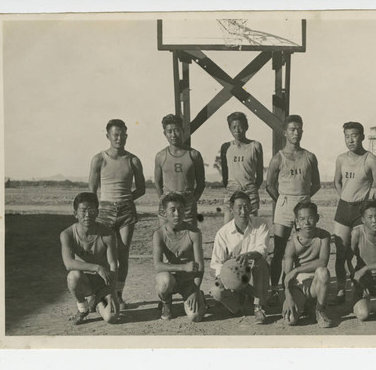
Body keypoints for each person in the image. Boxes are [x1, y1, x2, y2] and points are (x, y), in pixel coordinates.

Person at [89, 119, 146, 310]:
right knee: (105, 255)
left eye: (123, 134)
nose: (119, 138)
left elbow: (142, 188)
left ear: (127, 136)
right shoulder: (99, 159)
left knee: (123, 254)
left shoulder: (133, 160)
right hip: (104, 210)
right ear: (108, 136)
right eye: (116, 134)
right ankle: (105, 293)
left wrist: (126, 198)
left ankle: (119, 295)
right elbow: (92, 190)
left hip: (126, 211)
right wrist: (97, 209)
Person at [266, 115, 321, 303]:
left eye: (298, 129)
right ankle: (274, 288)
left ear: (302, 131)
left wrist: (303, 201)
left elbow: (316, 184)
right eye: (292, 129)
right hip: (284, 205)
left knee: (303, 247)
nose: (295, 132)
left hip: (303, 206)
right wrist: (283, 200)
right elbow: (270, 185)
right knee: (279, 249)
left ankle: (299, 286)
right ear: (285, 132)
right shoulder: (278, 158)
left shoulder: (309, 157)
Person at [332, 122, 376, 305]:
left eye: (354, 135)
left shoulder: (371, 159)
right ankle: (340, 287)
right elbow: (337, 182)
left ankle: (359, 286)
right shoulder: (340, 159)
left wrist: (368, 205)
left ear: (362, 136)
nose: (350, 140)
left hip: (361, 210)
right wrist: (345, 198)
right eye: (347, 136)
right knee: (341, 251)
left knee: (360, 252)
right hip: (343, 208)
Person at [210, 191, 271, 324]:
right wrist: (228, 277)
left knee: (260, 262)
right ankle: (240, 307)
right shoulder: (223, 233)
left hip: (253, 275)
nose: (243, 211)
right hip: (234, 276)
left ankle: (258, 306)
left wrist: (248, 255)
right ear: (232, 210)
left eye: (246, 206)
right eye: (239, 207)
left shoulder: (261, 224)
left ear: (251, 207)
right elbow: (215, 265)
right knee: (215, 290)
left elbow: (262, 250)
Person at [60, 192, 120, 325]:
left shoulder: (108, 234)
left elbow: (113, 265)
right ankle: (83, 309)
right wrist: (97, 268)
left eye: (91, 210)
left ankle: (99, 301)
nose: (87, 215)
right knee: (73, 276)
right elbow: (68, 264)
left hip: (104, 285)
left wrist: (109, 290)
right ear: (75, 213)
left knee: (112, 318)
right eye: (83, 211)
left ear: (97, 212)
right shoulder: (67, 234)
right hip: (85, 282)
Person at [152, 192, 206, 322]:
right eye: (173, 210)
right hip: (171, 279)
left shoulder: (194, 232)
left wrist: (195, 289)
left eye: (181, 209)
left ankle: (196, 296)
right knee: (164, 281)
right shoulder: (159, 234)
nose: (177, 213)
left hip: (189, 281)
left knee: (195, 316)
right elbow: (157, 265)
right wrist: (184, 267)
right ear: (164, 212)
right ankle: (166, 302)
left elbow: (200, 265)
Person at [282, 201, 333, 328]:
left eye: (310, 218)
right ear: (297, 221)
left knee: (323, 272)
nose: (307, 223)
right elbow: (287, 276)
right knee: (290, 320)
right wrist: (288, 297)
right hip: (299, 286)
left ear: (317, 218)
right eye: (302, 219)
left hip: (316, 283)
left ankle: (319, 310)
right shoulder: (292, 242)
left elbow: (323, 262)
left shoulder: (324, 236)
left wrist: (297, 269)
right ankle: (306, 304)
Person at [154, 114, 205, 227]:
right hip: (167, 203)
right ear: (165, 133)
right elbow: (157, 182)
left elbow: (201, 183)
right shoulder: (160, 156)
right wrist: (163, 199)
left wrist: (192, 200)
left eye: (176, 130)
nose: (173, 135)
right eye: (169, 131)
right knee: (166, 238)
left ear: (182, 130)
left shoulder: (194, 155)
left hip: (187, 205)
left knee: (188, 238)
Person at [220, 112, 264, 224]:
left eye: (240, 126)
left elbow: (259, 174)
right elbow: (225, 174)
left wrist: (251, 187)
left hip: (250, 189)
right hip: (232, 189)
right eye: (233, 127)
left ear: (246, 127)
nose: (237, 130)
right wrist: (232, 186)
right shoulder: (226, 147)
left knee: (252, 225)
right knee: (227, 226)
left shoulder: (255, 146)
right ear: (229, 128)